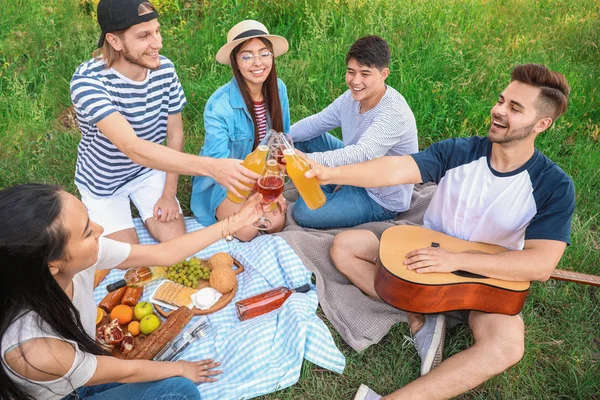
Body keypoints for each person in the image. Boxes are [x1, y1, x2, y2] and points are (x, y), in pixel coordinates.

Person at [304, 64, 575, 400]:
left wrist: (453, 260)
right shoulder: (460, 151)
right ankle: (420, 313)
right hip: (421, 257)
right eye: (501, 100)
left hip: (483, 284)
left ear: (542, 124)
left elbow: (540, 265)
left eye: (514, 108)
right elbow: (396, 168)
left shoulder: (554, 185)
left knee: (507, 346)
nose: (498, 110)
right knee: (345, 246)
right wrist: (332, 173)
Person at [0, 183, 264, 400]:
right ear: (52, 264)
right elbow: (126, 371)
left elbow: (164, 253)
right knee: (181, 391)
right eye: (87, 232)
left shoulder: (73, 263)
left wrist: (235, 222)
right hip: (65, 394)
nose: (101, 231)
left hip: (80, 368)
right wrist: (183, 369)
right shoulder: (34, 350)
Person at [70, 0, 260, 247]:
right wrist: (212, 167)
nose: (158, 43)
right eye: (144, 36)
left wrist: (169, 194)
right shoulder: (87, 81)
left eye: (157, 31)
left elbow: (175, 134)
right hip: (103, 182)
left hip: (149, 170)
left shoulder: (165, 69)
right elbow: (132, 147)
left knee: (176, 243)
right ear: (115, 41)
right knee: (126, 256)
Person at [288, 35, 418, 228]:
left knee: (303, 212)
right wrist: (281, 137)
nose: (355, 81)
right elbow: (318, 122)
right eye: (351, 72)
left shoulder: (394, 113)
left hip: (377, 194)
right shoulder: (351, 98)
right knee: (294, 143)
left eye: (365, 74)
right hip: (351, 167)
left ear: (384, 74)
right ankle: (328, 185)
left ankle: (326, 187)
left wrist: (306, 160)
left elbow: (361, 154)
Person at [190, 20, 290, 241]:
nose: (258, 63)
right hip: (226, 182)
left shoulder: (279, 89)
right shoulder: (219, 105)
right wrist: (258, 189)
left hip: (262, 177)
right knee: (247, 231)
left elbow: (282, 144)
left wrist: (274, 186)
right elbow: (219, 162)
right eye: (247, 56)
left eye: (264, 54)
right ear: (235, 61)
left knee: (276, 223)